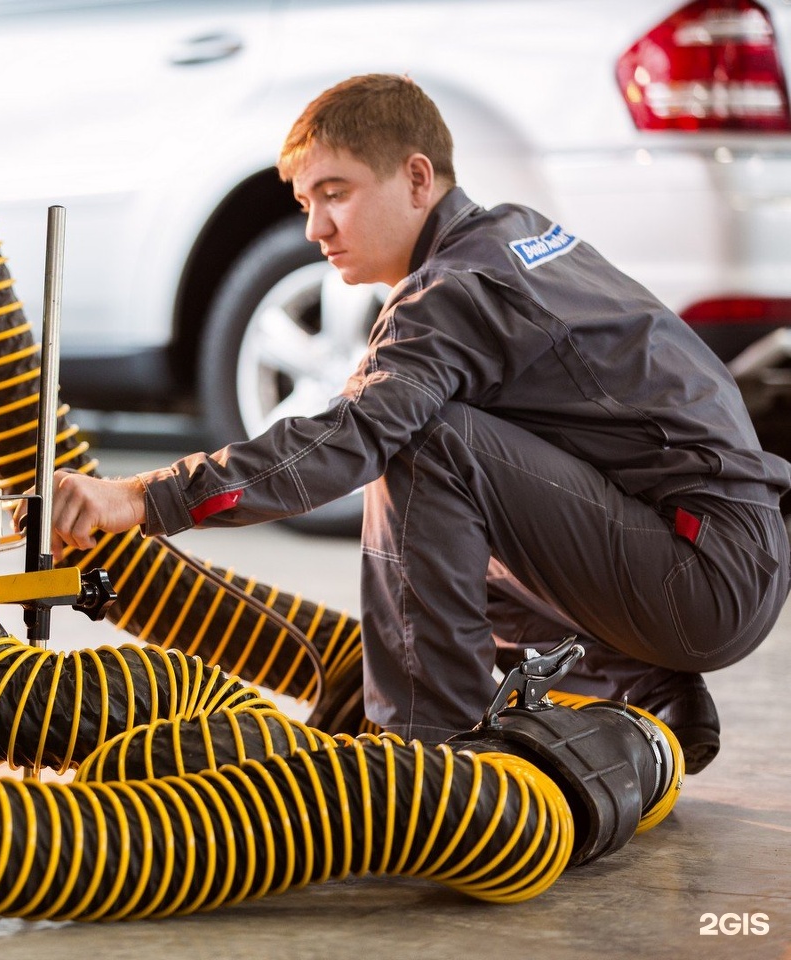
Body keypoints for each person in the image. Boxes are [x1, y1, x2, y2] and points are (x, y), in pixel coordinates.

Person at [40, 74, 791, 773]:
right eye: (306, 202)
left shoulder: (450, 290)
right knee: (458, 540)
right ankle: (653, 692)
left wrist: (141, 498)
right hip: (727, 558)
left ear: (417, 177)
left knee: (426, 442)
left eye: (335, 193)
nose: (315, 227)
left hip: (703, 572)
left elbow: (348, 440)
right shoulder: (510, 235)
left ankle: (422, 762)